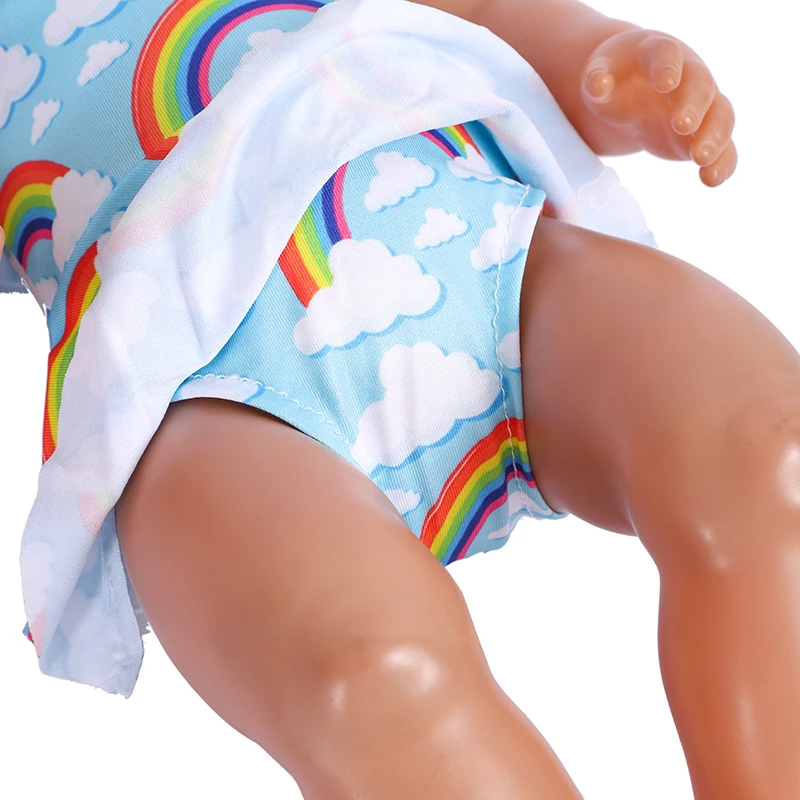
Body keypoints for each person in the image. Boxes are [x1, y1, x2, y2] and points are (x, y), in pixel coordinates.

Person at [3, 0, 797, 798]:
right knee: (371, 674)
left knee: (763, 448)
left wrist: (602, 61)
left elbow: (482, 10)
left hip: (470, 234)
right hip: (192, 389)